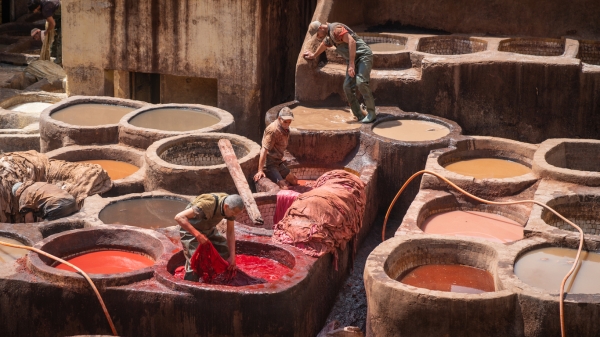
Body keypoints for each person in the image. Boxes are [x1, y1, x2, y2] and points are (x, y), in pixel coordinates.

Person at [303, 21, 376, 123]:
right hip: (354, 59)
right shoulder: (329, 35)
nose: (318, 37)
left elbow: (352, 42)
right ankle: (358, 115)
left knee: (361, 82)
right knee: (347, 87)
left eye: (317, 34)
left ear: (321, 28)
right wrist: (314, 55)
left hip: (363, 56)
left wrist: (351, 64)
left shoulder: (336, 29)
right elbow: (324, 45)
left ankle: (371, 113)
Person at [174, 193, 245, 282]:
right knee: (195, 262)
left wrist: (232, 256)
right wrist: (198, 235)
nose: (233, 215)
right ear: (226, 206)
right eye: (233, 213)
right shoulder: (207, 205)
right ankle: (189, 286)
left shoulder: (231, 205)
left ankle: (215, 278)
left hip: (208, 229)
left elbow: (230, 232)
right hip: (190, 230)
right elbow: (179, 217)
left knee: (224, 251)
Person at [253, 107, 299, 189]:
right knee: (284, 188)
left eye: (289, 122)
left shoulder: (285, 129)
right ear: (279, 118)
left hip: (278, 161)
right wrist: (260, 170)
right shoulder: (273, 130)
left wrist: (281, 157)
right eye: (285, 122)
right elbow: (264, 150)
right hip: (270, 164)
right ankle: (277, 179)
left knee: (295, 181)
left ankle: (280, 178)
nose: (287, 124)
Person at [12, 181, 77, 223]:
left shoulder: (23, 196)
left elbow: (29, 220)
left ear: (16, 193)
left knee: (47, 231)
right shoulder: (38, 183)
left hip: (57, 207)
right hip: (72, 201)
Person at [28, 0, 61, 64]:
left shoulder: (45, 10)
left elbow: (52, 24)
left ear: (37, 7)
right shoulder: (44, 2)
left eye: (34, 10)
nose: (34, 12)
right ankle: (53, 57)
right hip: (59, 19)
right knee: (55, 39)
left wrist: (47, 31)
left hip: (63, 18)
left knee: (59, 40)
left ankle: (58, 62)